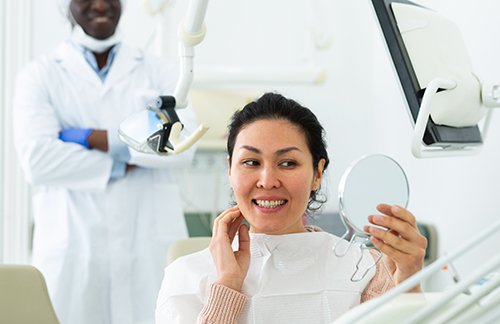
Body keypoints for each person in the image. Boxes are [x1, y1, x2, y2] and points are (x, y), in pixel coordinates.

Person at [155, 93, 427, 323]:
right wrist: (227, 284)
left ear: (317, 173)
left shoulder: (363, 269)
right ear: (229, 169)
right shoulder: (186, 276)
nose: (268, 181)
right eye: (251, 162)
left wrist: (409, 281)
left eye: (288, 163)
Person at [12, 1, 197, 323]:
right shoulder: (39, 75)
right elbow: (38, 160)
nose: (100, 4)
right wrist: (134, 151)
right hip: (74, 246)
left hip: (147, 244)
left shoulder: (158, 70)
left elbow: (183, 146)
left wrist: (91, 138)